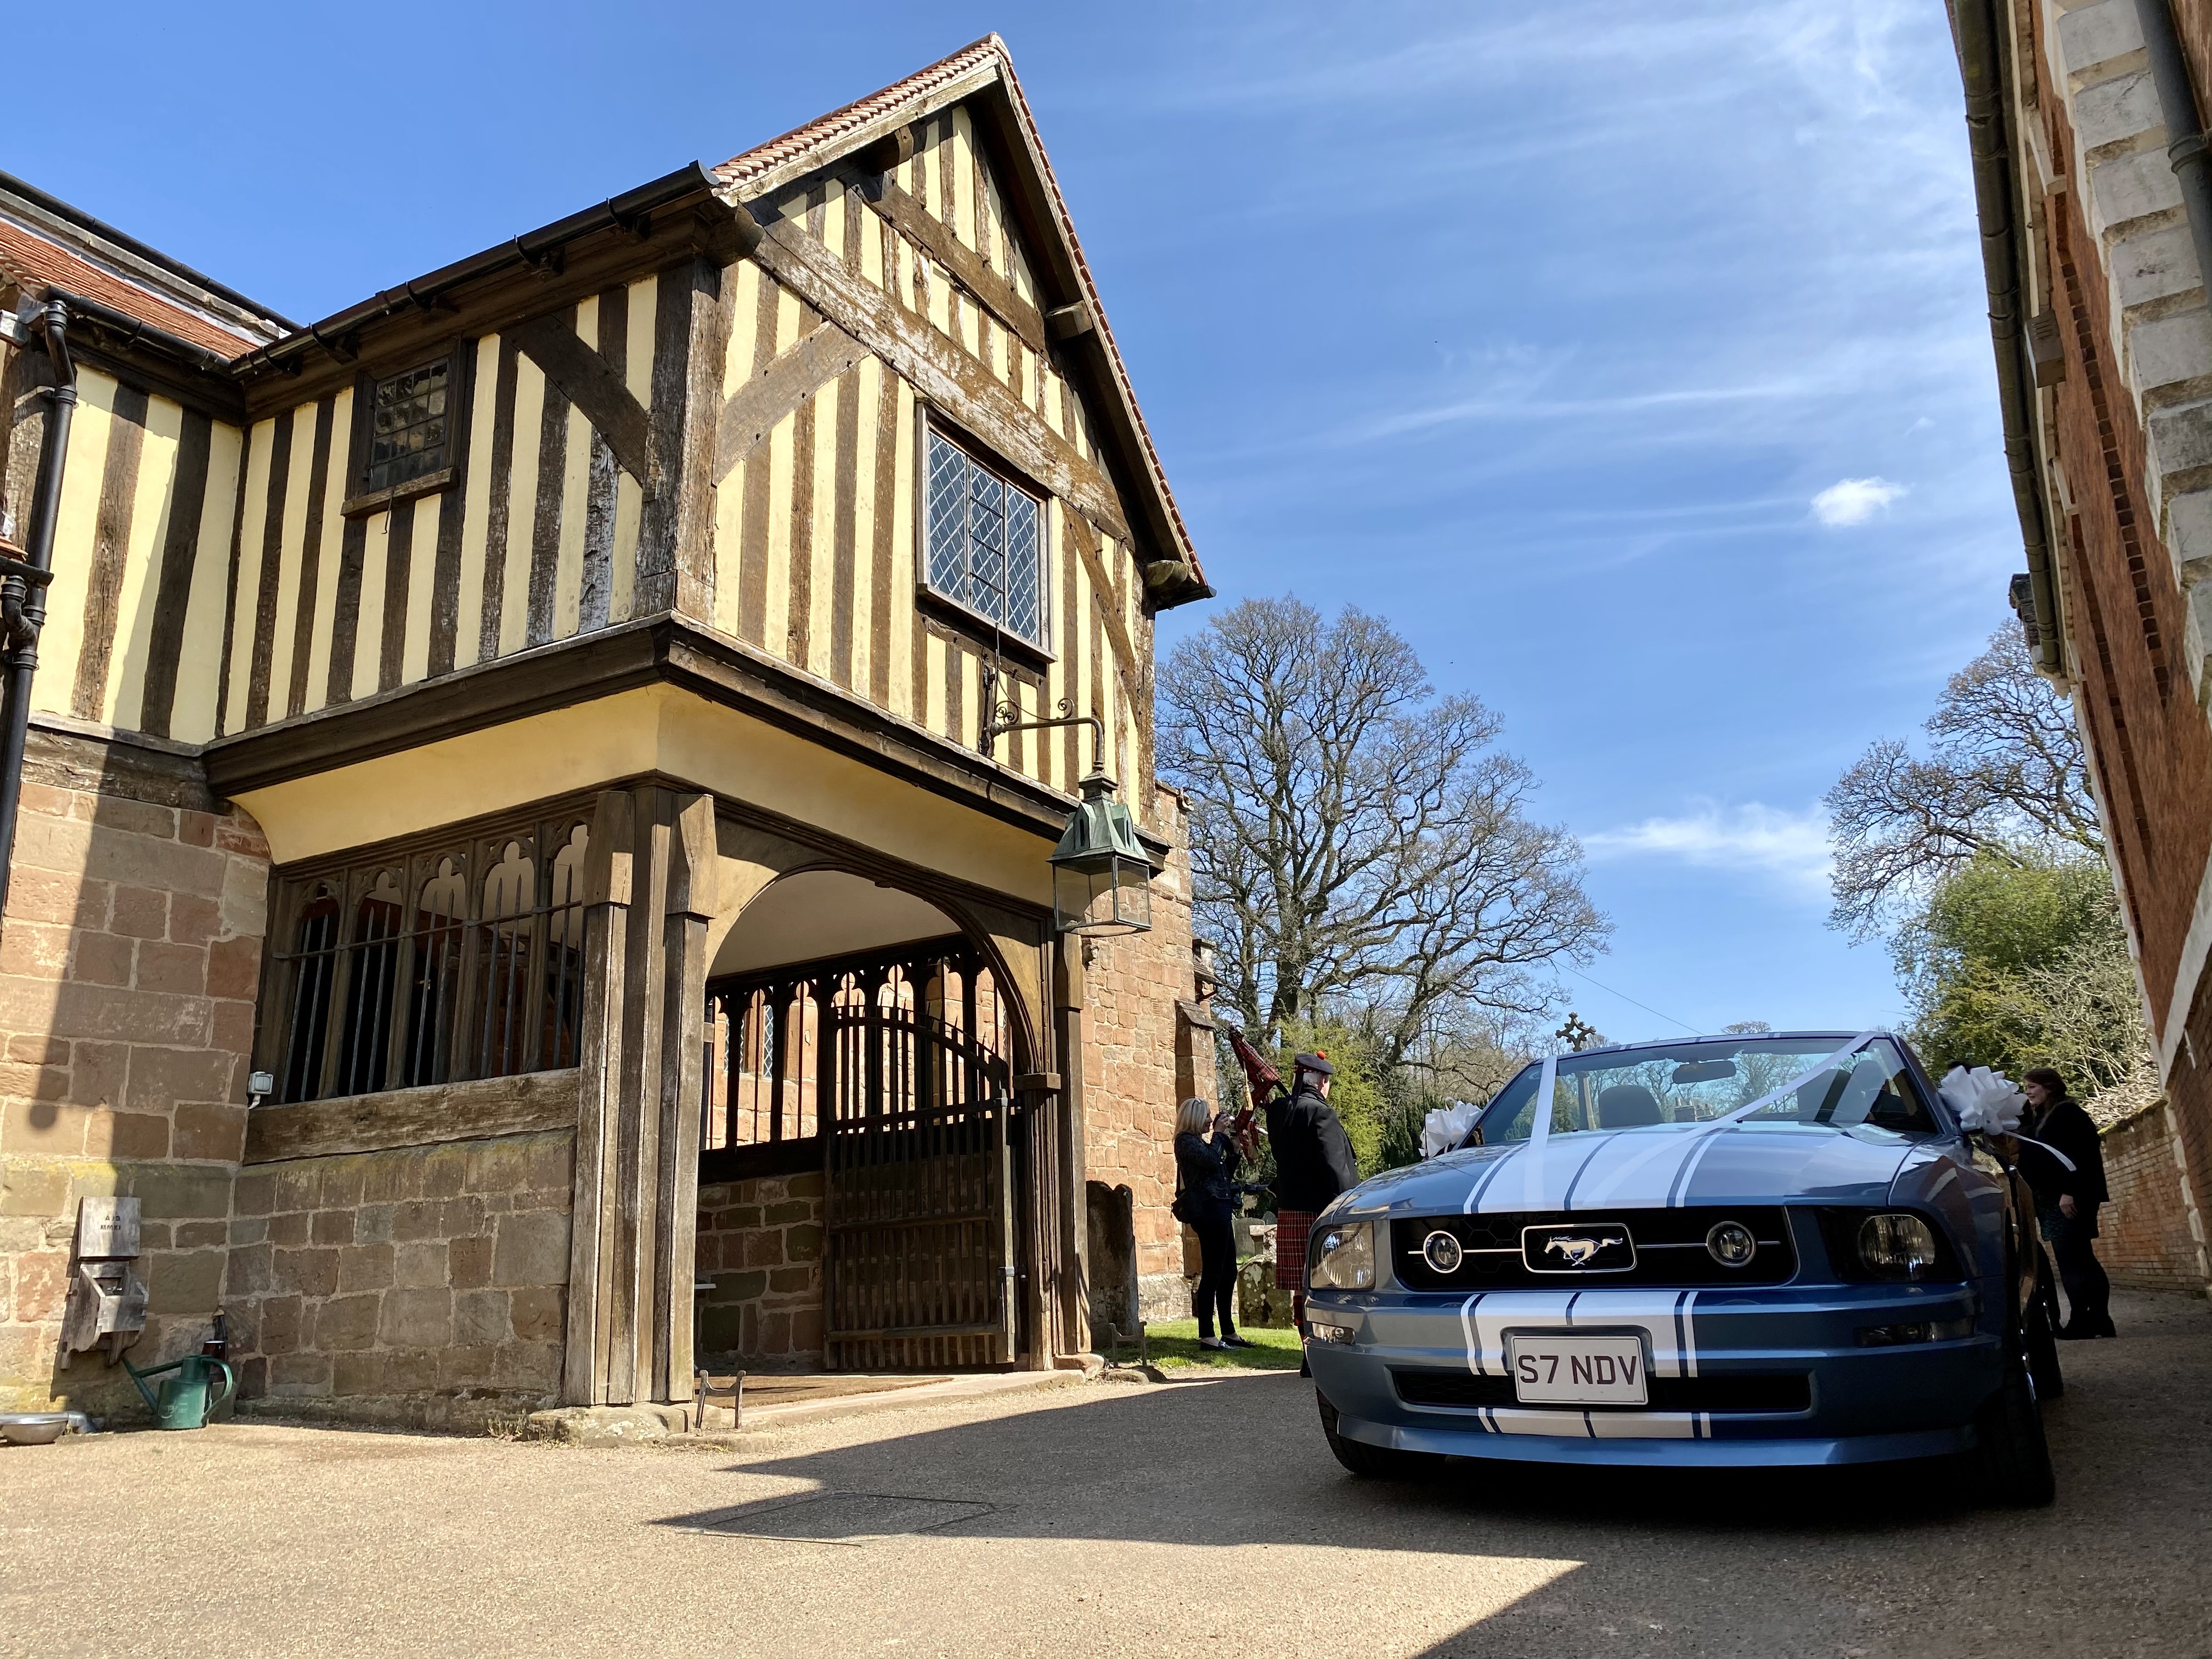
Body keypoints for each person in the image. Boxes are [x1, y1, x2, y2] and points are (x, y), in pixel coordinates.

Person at [1262, 1052, 1361, 1375]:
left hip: (1290, 1208)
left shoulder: (1278, 1113)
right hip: (1322, 1213)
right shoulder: (1321, 1114)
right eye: (1328, 1081)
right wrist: (1351, 1205)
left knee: (1301, 1288)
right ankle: (1324, 1354)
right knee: (1328, 1285)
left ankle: (1308, 1353)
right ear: (1321, 1081)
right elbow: (1337, 1170)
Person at [2018, 1066, 2114, 1339]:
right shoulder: (2043, 1117)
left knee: (2072, 1260)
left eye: (2032, 1087)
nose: (2028, 1092)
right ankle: (2100, 1320)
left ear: (2049, 1087)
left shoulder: (2067, 1114)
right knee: (2083, 1258)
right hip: (2056, 1198)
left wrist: (2069, 1192)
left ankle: (2081, 1322)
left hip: (2067, 1198)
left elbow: (2081, 1155)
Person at [1173, 1096, 1249, 1351]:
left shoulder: (1203, 1143)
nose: (1210, 1120)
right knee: (1213, 1272)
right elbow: (1208, 1161)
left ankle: (1228, 1331)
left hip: (1220, 1208)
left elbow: (1222, 1173)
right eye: (1206, 1116)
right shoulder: (1185, 1142)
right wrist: (1219, 1135)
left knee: (1228, 1272)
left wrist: (1235, 1150)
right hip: (1208, 1212)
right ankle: (1207, 1333)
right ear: (1195, 1118)